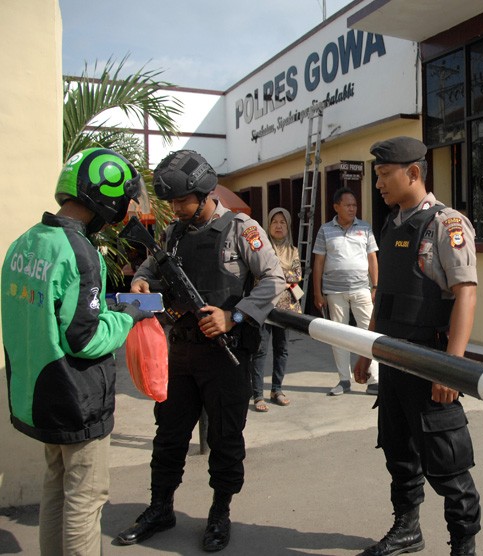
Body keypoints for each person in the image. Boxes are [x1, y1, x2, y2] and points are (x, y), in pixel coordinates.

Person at [115, 150, 284, 552]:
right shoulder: (174, 232)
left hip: (226, 357)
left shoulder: (241, 229)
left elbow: (274, 279)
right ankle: (160, 507)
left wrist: (234, 316)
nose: (175, 208)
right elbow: (151, 268)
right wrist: (140, 281)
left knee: (226, 439)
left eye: (181, 201)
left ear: (205, 192)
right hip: (181, 354)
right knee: (169, 434)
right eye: (172, 202)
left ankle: (220, 511)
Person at [1, 148, 153, 556]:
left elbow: (54, 313)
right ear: (106, 195)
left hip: (38, 396)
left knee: (56, 490)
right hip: (76, 398)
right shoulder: (80, 252)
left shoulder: (25, 242)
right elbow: (85, 339)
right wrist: (129, 315)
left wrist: (109, 304)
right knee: (86, 500)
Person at [353, 137, 481, 556]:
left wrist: (451, 368)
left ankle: (463, 545)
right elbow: (384, 294)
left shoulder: (448, 224)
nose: (379, 185)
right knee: (398, 451)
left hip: (429, 363)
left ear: (413, 173)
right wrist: (365, 348)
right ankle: (407, 529)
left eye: (385, 175)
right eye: (376, 177)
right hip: (392, 359)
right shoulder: (392, 224)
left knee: (447, 462)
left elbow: (466, 293)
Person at [312, 186, 380, 396]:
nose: (352, 209)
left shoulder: (365, 228)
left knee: (369, 335)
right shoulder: (325, 230)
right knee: (338, 335)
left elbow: (372, 259)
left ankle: (374, 380)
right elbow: (319, 262)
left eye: (355, 205)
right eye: (348, 205)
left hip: (362, 289)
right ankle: (343, 380)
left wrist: (376, 286)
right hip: (334, 291)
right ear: (336, 207)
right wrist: (317, 292)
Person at [250, 207, 302, 411]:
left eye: (283, 222)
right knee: (260, 350)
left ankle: (277, 390)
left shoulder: (293, 250)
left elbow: (296, 275)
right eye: (274, 222)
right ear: (268, 225)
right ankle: (257, 395)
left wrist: (276, 273)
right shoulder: (262, 249)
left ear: (288, 227)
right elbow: (258, 274)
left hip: (286, 308)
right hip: (264, 306)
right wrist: (283, 274)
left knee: (282, 350)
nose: (279, 226)